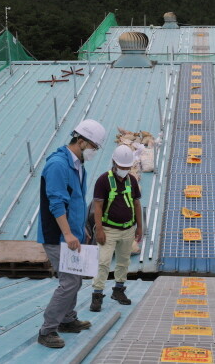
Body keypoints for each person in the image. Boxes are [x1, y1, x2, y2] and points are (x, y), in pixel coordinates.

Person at [37, 119, 106, 349]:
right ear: (82, 141)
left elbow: (75, 202)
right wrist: (67, 234)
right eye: (94, 147)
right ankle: (47, 330)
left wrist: (81, 229)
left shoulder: (77, 165)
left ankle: (67, 319)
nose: (95, 152)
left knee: (75, 279)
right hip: (57, 236)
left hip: (71, 234)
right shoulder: (58, 164)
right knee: (69, 282)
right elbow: (56, 203)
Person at [90, 145, 143, 312]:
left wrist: (140, 227)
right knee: (103, 263)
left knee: (123, 262)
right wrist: (99, 230)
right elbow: (97, 206)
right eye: (122, 167)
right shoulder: (103, 180)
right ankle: (97, 294)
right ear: (114, 163)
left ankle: (118, 290)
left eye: (127, 167)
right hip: (108, 230)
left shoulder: (132, 180)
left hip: (127, 229)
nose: (125, 169)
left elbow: (136, 204)